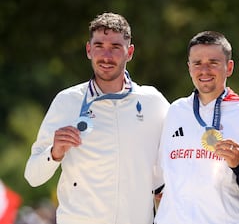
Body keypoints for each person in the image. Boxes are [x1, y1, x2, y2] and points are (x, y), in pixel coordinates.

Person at [24, 12, 169, 224]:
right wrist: (54, 153)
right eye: (99, 45)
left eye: (115, 48)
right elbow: (32, 176)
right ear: (89, 50)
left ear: (129, 52)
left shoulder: (153, 102)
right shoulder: (67, 101)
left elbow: (171, 163)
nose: (106, 56)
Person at [154, 31, 239, 224]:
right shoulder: (175, 110)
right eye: (197, 63)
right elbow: (159, 175)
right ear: (189, 67)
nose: (204, 70)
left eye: (213, 62)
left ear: (229, 67)